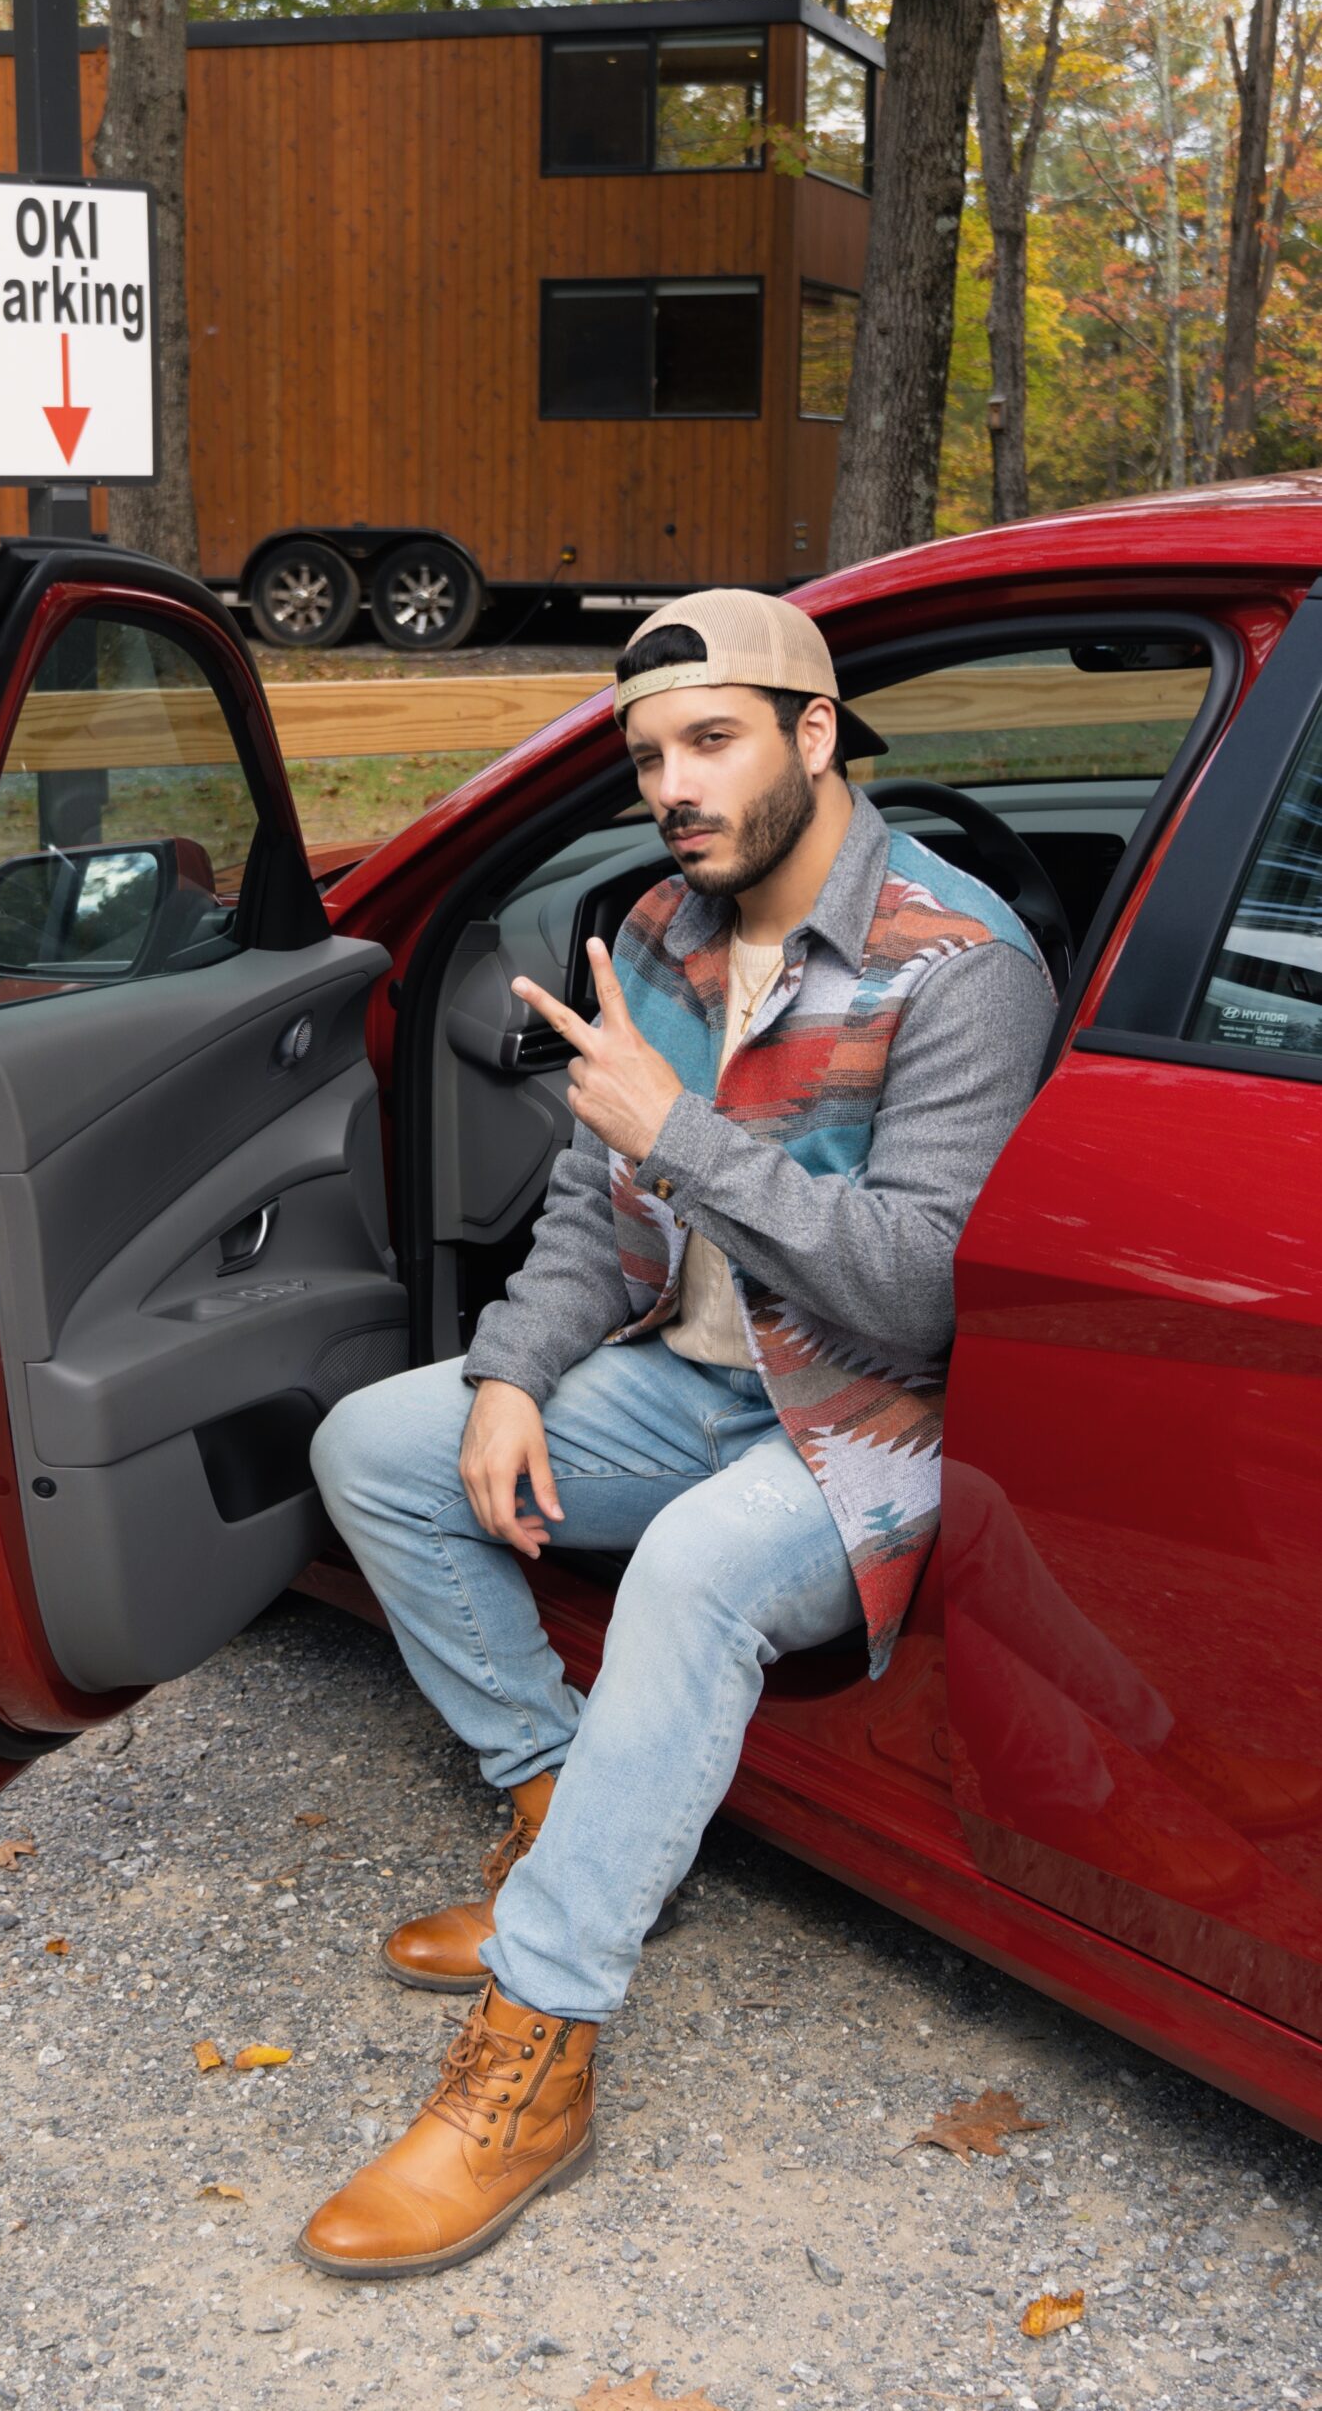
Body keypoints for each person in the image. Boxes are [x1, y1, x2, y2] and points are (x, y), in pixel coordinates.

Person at [295, 588, 1056, 2278]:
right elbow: (588, 1208)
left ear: (811, 733)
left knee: (700, 1570)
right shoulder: (653, 931)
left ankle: (536, 2045)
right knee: (379, 1446)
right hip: (694, 1371)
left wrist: (686, 1135)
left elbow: (924, 1301)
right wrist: (504, 1375)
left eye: (709, 740)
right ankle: (556, 1794)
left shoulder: (962, 967)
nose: (672, 785)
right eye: (647, 757)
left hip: (867, 1416)